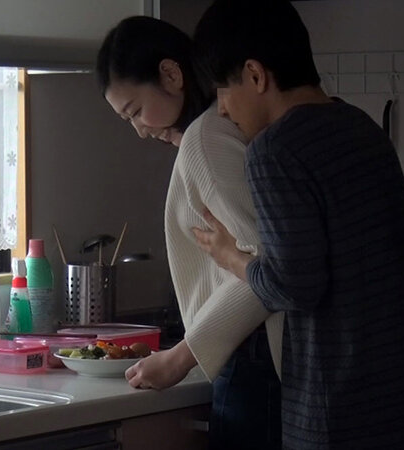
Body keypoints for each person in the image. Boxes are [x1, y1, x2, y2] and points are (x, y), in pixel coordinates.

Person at [190, 1, 404, 449]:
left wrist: (231, 257)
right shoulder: (360, 125)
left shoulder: (274, 150)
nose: (221, 108)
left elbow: (294, 286)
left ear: (255, 75)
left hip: (349, 418)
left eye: (222, 89)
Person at [96, 16, 285, 449]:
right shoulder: (226, 127)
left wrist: (181, 357)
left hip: (252, 354)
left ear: (171, 74)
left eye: (136, 111)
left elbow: (266, 266)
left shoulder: (206, 139)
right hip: (256, 353)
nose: (140, 130)